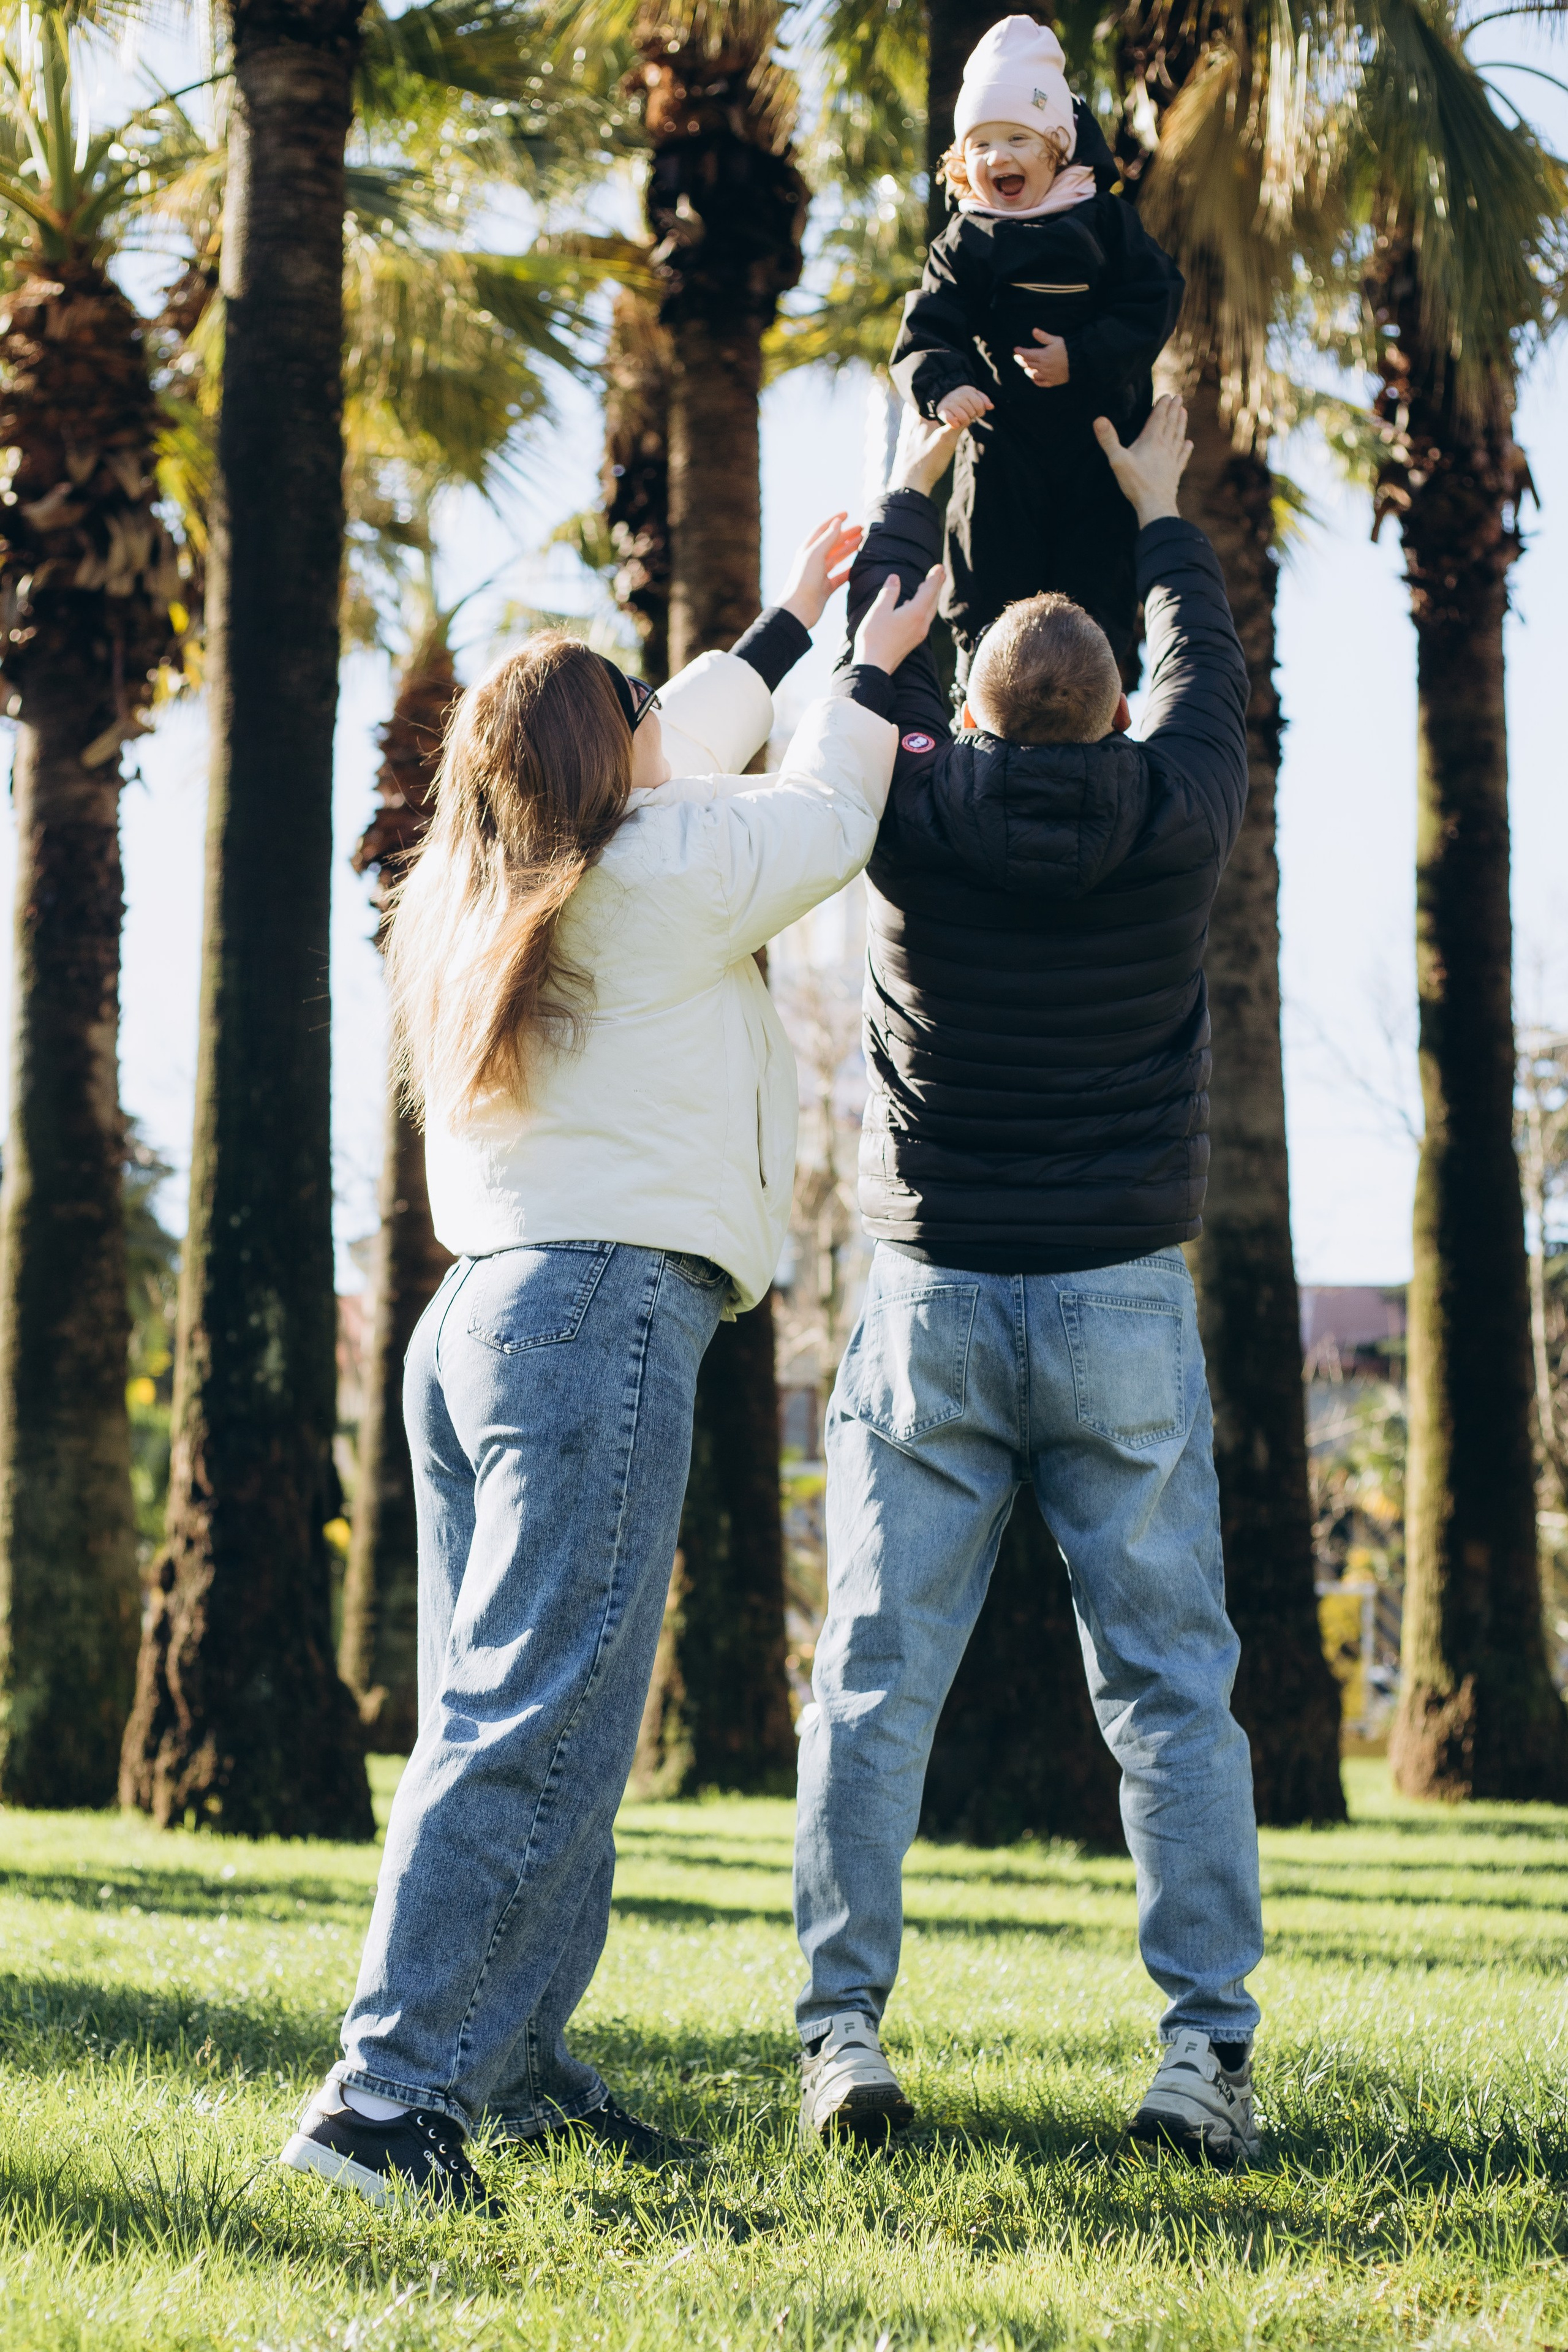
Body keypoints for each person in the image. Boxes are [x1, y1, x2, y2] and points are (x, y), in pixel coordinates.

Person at [279, 517, 944, 2210]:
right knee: (539, 1723)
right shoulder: (650, 878)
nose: (669, 716)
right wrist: (871, 657)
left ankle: (503, 2072)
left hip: (485, 1326)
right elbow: (824, 817)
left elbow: (699, 736)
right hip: (595, 1326)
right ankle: (384, 2104)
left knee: (518, 1717)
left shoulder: (485, 885)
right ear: (608, 757)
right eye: (638, 703)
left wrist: (791, 616)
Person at [792, 397, 1267, 2169]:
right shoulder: (1177, 805)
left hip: (933, 1303)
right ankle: (1201, 2055)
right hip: (1121, 1305)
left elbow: (877, 668)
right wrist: (1156, 510)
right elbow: (1205, 669)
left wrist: (919, 480)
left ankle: (844, 2036)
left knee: (873, 1681)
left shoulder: (911, 814)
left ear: (964, 713)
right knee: (1169, 1692)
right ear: (1118, 712)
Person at [891, 16, 1183, 675]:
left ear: (1056, 145)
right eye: (981, 144)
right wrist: (944, 386)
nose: (997, 158)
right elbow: (928, 325)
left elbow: (1154, 296)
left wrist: (1078, 355)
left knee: (1097, 570)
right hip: (1005, 441)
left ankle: (1101, 687)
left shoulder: (1103, 221)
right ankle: (977, 676)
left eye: (1016, 138)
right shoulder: (967, 241)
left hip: (1097, 436)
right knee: (988, 561)